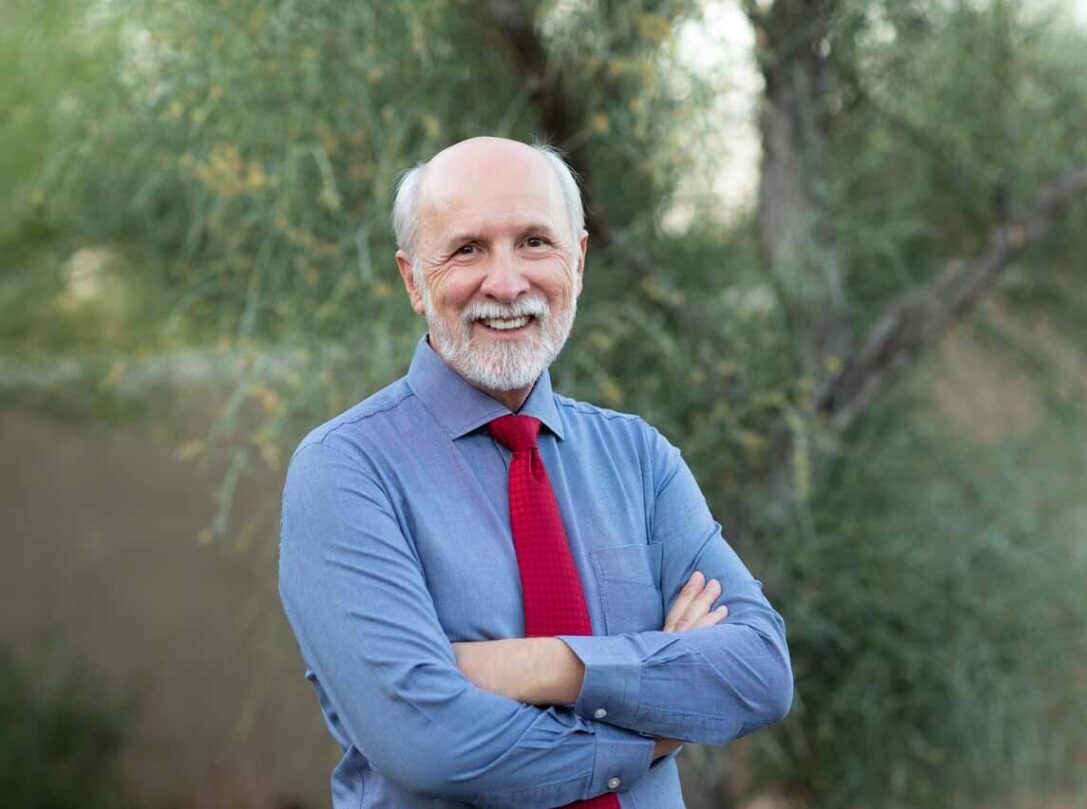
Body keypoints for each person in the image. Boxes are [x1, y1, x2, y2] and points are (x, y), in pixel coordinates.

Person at [278, 137, 793, 809]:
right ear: (412, 279)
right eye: (467, 249)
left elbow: (758, 671)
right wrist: (653, 725)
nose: (507, 282)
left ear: (576, 261)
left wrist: (546, 666)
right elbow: (431, 741)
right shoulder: (346, 472)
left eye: (534, 242)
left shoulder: (637, 457)